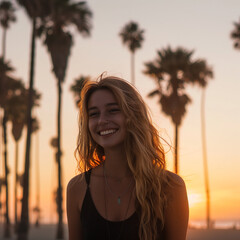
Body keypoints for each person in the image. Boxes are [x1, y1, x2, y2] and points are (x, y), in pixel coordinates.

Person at [67, 75, 189, 240]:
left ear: (133, 115)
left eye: (113, 110)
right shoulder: (77, 188)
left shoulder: (170, 187)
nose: (102, 120)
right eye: (94, 114)